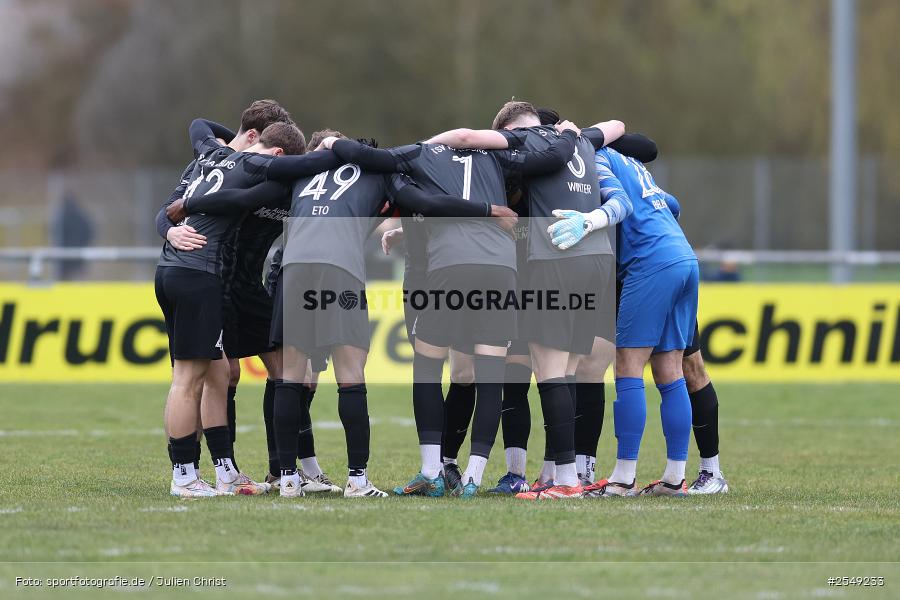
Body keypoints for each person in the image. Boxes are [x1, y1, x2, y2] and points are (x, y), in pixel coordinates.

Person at [326, 117, 588, 497]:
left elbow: (381, 169)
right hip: (501, 270)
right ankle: (473, 475)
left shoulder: (420, 153)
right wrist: (567, 135)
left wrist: (333, 146)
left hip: (446, 268)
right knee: (489, 375)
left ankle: (433, 468)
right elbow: (551, 161)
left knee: (429, 369)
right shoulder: (502, 159)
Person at [273, 130, 516, 498]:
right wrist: (487, 209)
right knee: (351, 377)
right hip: (342, 270)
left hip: (291, 270)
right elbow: (429, 203)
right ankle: (359, 481)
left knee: (290, 377)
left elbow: (257, 192)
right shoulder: (378, 174)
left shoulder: (301, 173)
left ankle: (288, 478)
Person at [425, 101, 623, 500]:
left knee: (549, 372)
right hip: (597, 261)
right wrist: (573, 130)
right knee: (565, 371)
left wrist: (422, 148)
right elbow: (618, 124)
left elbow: (464, 138)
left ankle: (563, 480)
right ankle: (560, 476)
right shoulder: (579, 138)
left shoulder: (526, 142)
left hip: (556, 259)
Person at [156, 119, 342, 498]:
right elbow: (202, 143)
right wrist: (170, 223)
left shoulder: (225, 161)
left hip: (235, 282)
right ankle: (197, 473)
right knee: (213, 377)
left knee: (278, 372)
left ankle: (279, 469)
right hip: (209, 277)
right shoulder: (237, 164)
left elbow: (202, 140)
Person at [548, 140, 699, 497]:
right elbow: (672, 204)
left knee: (627, 365)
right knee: (670, 370)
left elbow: (622, 204)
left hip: (649, 264)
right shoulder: (632, 164)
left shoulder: (596, 158)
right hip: (682, 256)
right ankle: (675, 478)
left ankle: (622, 478)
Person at [661, 194, 729, 494]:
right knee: (593, 363)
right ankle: (580, 472)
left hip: (659, 266)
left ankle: (711, 472)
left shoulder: (616, 167)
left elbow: (673, 204)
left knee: (690, 367)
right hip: (629, 270)